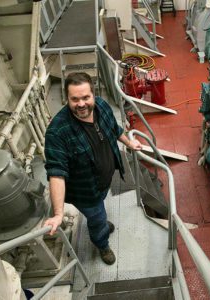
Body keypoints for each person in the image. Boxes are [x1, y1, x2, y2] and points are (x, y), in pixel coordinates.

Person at [43, 72, 142, 265]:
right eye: (75, 99)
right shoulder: (58, 132)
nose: (81, 104)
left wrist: (129, 144)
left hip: (104, 179)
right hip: (86, 193)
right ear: (67, 99)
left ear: (93, 95)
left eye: (86, 97)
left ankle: (102, 223)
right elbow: (56, 172)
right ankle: (102, 243)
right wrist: (58, 213)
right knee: (96, 219)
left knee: (100, 213)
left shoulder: (102, 106)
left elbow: (115, 129)